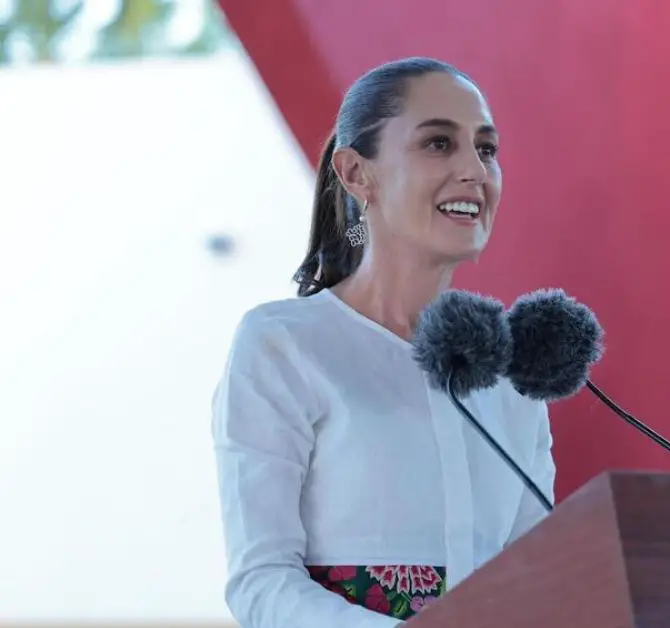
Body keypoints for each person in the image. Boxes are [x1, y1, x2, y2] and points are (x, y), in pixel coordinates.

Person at [211, 57, 555, 628]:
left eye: (487, 148)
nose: (475, 169)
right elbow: (261, 584)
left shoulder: (510, 373)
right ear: (355, 173)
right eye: (439, 143)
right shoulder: (282, 346)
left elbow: (541, 581)